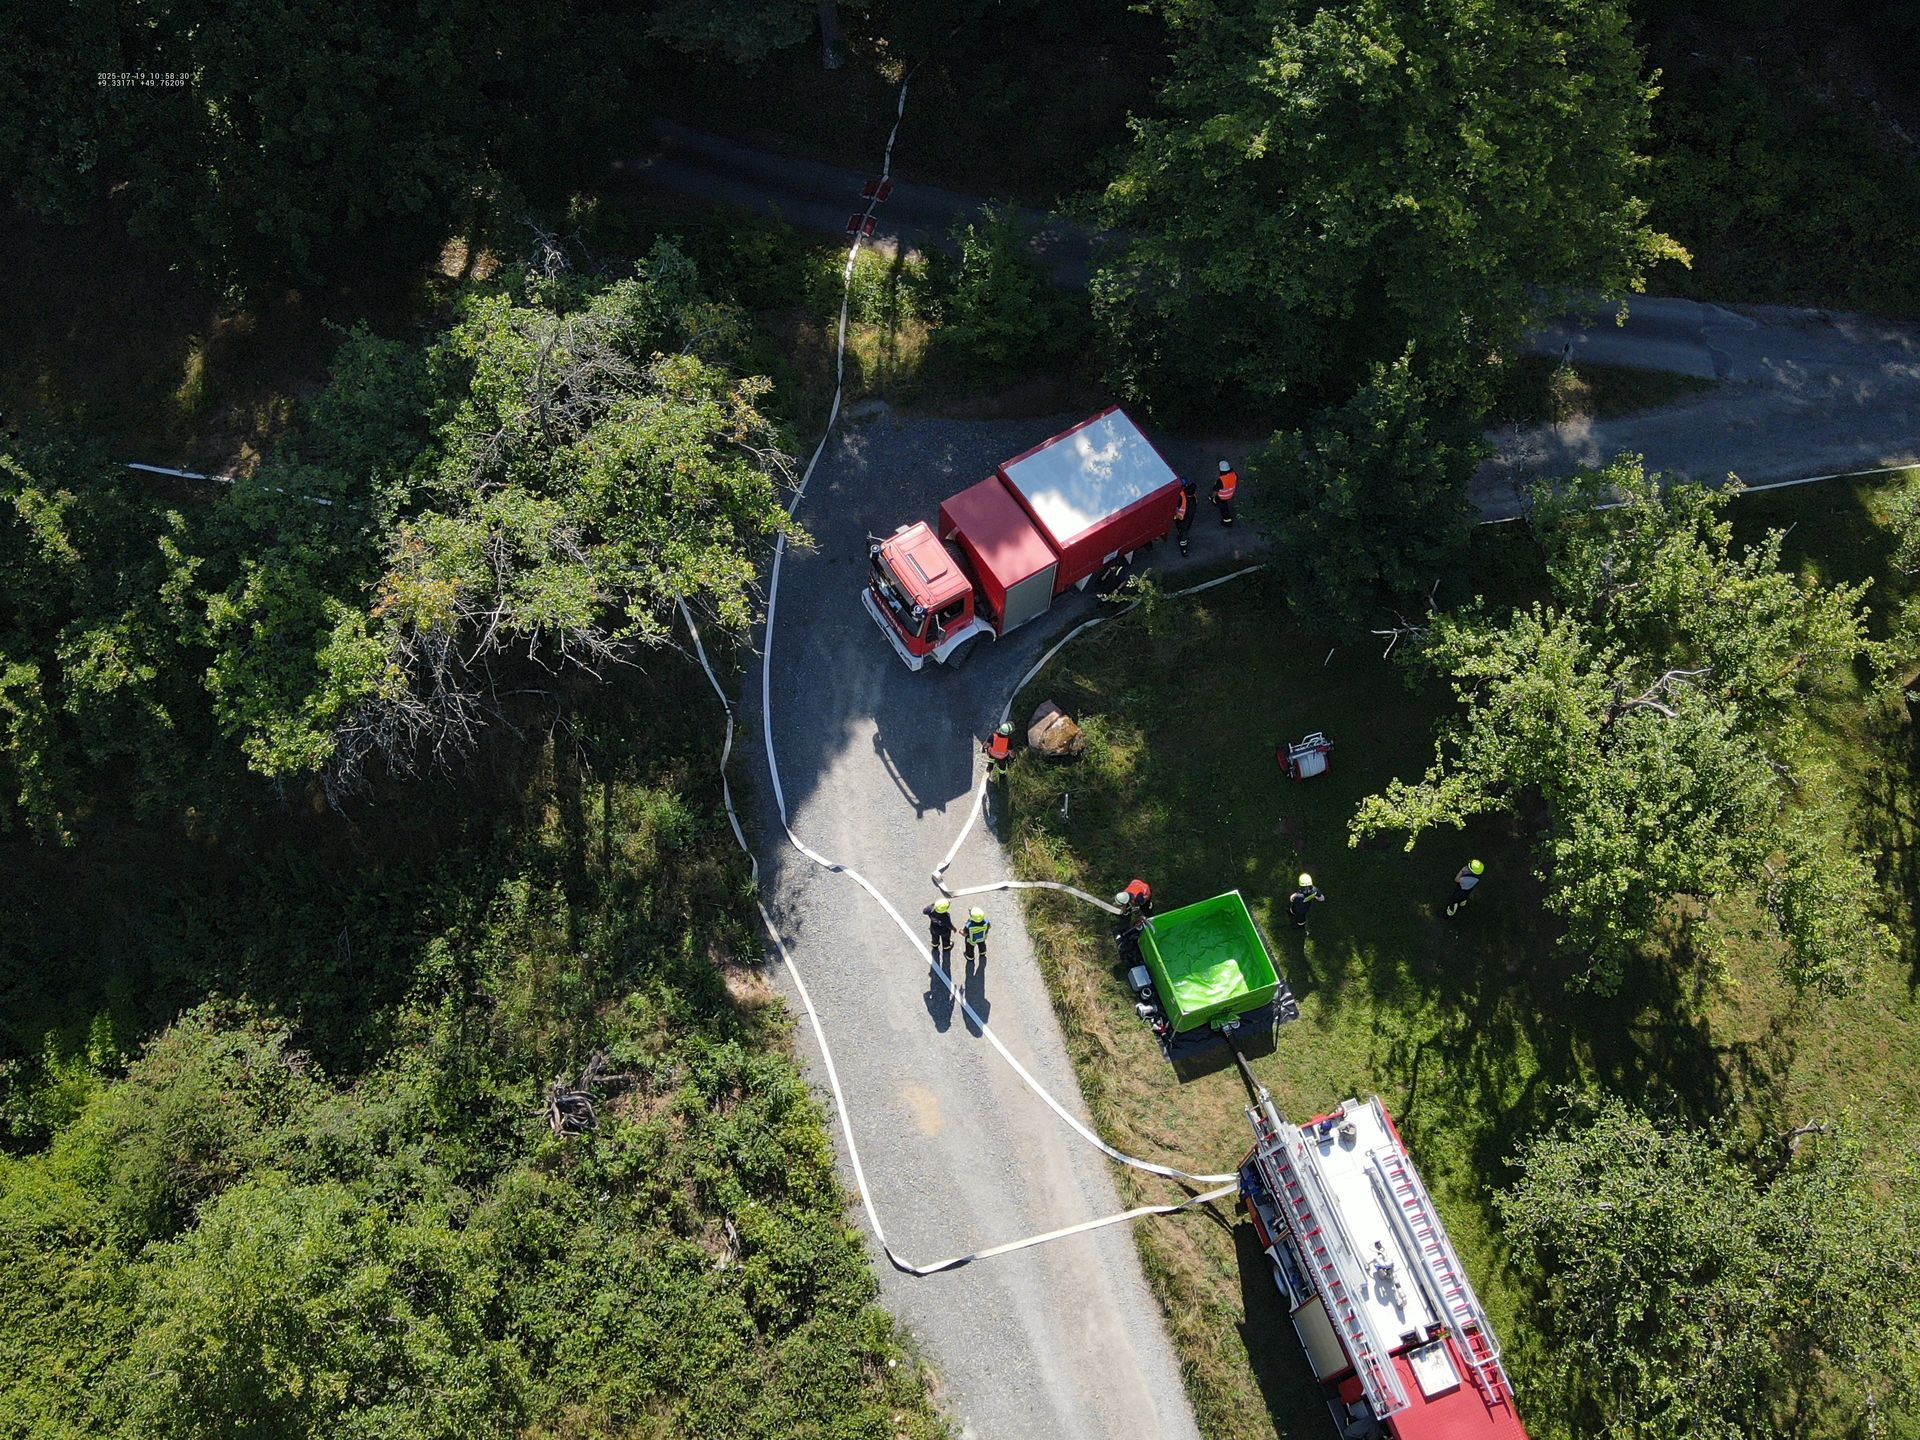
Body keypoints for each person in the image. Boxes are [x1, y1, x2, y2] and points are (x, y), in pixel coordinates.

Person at [1213, 460, 1239, 527]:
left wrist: (1212, 496)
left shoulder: (1221, 480)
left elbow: (1215, 490)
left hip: (1223, 496)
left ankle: (1227, 521)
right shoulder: (1234, 475)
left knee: (1223, 508)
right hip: (1231, 493)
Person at [1174, 477, 1195, 556]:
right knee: (1184, 532)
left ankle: (1184, 549)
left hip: (1182, 519)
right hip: (1188, 519)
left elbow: (1175, 506)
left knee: (1183, 534)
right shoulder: (1192, 499)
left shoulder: (1181, 497)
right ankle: (1183, 542)